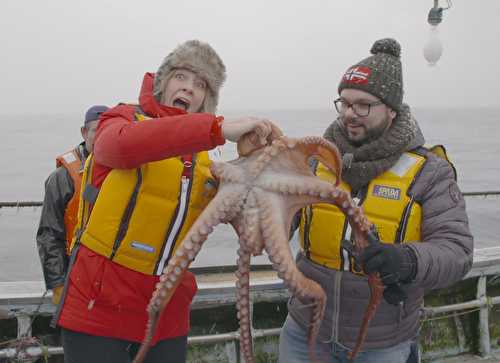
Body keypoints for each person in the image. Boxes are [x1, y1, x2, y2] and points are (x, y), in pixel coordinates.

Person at [52, 40, 280, 363]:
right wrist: (217, 128)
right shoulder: (121, 121)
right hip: (97, 307)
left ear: (207, 97)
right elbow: (117, 148)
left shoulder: (206, 163)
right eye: (181, 77)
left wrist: (260, 171)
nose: (188, 88)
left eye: (200, 84)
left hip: (166, 316)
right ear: (163, 81)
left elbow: (251, 230)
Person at [279, 38, 473, 363]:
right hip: (306, 331)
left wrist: (406, 260)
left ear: (392, 110)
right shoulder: (314, 163)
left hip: (384, 344)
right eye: (344, 103)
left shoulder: (431, 173)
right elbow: (277, 224)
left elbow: (457, 251)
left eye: (363, 105)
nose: (350, 114)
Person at [36, 105, 109, 305]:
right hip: (73, 271)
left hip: (111, 274)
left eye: (108, 130)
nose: (102, 136)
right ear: (84, 132)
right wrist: (57, 282)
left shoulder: (125, 173)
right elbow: (49, 234)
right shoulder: (62, 178)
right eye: (96, 130)